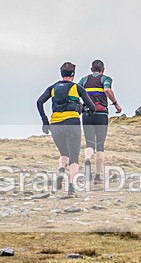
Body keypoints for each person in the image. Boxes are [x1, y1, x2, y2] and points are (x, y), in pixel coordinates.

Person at [36, 62, 96, 194]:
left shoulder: (52, 88)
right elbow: (92, 107)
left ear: (61, 73)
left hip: (55, 124)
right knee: (74, 157)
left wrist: (45, 121)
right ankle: (71, 186)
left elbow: (39, 102)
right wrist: (86, 110)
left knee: (63, 153)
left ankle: (61, 170)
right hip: (72, 123)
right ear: (73, 74)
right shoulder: (77, 88)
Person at [79, 60, 122, 185]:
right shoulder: (106, 79)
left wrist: (81, 105)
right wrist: (115, 104)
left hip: (87, 113)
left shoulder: (83, 80)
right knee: (100, 146)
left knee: (89, 143)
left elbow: (76, 93)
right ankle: (97, 177)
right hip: (101, 114)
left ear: (91, 69)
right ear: (103, 69)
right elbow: (107, 90)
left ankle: (88, 158)